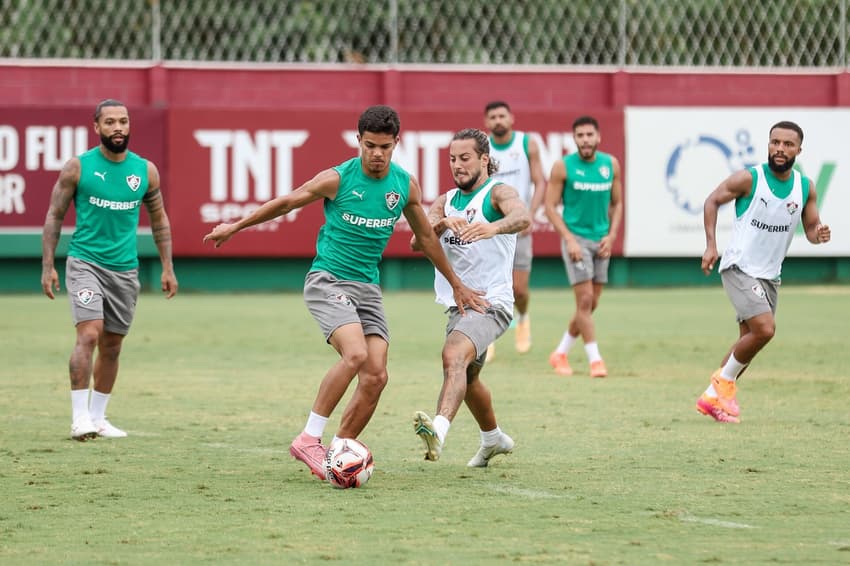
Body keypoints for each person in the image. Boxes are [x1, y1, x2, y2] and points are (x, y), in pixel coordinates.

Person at [203, 106, 487, 479]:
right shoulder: (337, 178)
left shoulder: (405, 185)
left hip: (367, 288)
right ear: (358, 141)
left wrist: (457, 284)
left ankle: (339, 452)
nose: (377, 154)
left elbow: (426, 240)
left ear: (396, 144)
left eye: (385, 147)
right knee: (355, 353)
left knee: (376, 376)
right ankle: (309, 438)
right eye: (369, 145)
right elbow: (287, 201)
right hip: (328, 281)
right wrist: (235, 226)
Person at [41, 99, 178, 440]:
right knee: (88, 334)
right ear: (97, 127)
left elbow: (159, 219)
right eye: (110, 122)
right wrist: (48, 266)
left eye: (123, 121)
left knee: (113, 344)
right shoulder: (78, 168)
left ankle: (99, 418)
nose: (118, 127)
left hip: (125, 270)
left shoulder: (144, 171)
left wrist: (167, 267)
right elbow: (54, 216)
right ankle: (78, 418)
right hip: (85, 262)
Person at [411, 128, 530, 467]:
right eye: (452, 159)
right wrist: (440, 226)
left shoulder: (498, 193)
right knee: (469, 376)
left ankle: (438, 431)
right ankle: (493, 439)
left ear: (483, 159)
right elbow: (417, 243)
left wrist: (494, 227)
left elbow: (521, 217)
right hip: (460, 305)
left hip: (491, 303)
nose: (457, 165)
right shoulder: (444, 202)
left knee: (453, 357)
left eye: (464, 158)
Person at [697, 120, 830, 423]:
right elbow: (712, 200)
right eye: (775, 142)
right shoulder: (749, 178)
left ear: (799, 149)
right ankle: (723, 384)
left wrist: (818, 233)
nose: (780, 149)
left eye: (787, 144)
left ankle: (711, 398)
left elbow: (810, 228)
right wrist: (710, 245)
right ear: (768, 144)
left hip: (770, 274)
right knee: (765, 329)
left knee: (748, 342)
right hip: (739, 267)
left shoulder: (804, 187)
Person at [544, 115, 622, 378]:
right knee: (585, 300)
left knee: (590, 304)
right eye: (580, 135)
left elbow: (617, 203)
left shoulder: (610, 165)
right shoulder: (562, 167)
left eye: (590, 135)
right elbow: (550, 207)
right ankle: (595, 360)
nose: (585, 140)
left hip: (601, 241)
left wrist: (611, 236)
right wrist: (568, 238)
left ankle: (560, 353)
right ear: (574, 139)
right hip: (576, 240)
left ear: (598, 137)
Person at [483, 101, 547, 357]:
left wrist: (529, 215)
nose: (498, 120)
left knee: (519, 289)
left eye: (502, 116)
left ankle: (522, 318)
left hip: (519, 227)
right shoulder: (482, 147)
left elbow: (540, 182)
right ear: (486, 123)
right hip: (490, 227)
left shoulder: (526, 144)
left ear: (512, 118)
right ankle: (486, 335)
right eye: (493, 117)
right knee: (486, 286)